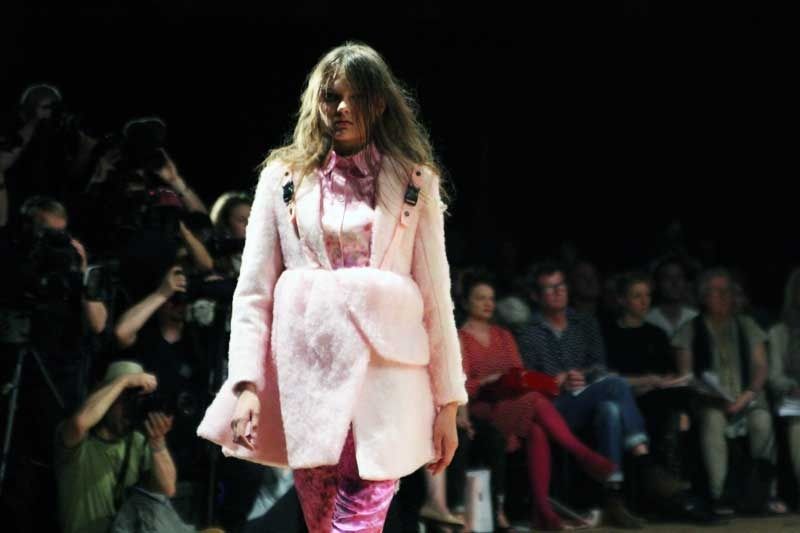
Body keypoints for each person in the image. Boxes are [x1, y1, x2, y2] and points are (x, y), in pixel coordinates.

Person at [197, 42, 468, 532]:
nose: (341, 108)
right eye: (331, 96)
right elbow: (253, 293)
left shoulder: (413, 181)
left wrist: (448, 402)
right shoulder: (282, 179)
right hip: (311, 384)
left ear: (379, 102)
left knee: (356, 525)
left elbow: (436, 298)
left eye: (354, 97)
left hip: (384, 386)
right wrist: (246, 385)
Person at [459, 274, 615, 530]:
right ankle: (582, 454)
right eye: (480, 298)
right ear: (466, 302)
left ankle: (542, 510)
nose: (488, 304)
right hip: (482, 406)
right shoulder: (460, 338)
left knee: (536, 429)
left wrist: (509, 380)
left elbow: (519, 373)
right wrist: (487, 380)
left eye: (491, 299)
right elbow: (461, 386)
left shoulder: (503, 335)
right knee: (534, 400)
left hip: (511, 401)